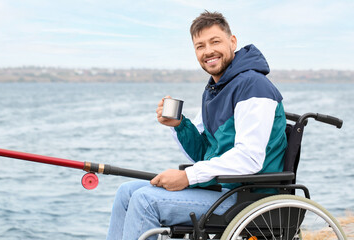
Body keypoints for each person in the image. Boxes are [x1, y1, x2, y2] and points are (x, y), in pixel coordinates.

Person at [106, 10, 287, 240]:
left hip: (248, 196)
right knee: (126, 193)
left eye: (215, 41)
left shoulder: (253, 86)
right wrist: (180, 125)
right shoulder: (215, 88)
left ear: (232, 42)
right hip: (222, 188)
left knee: (145, 201)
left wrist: (188, 177)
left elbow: (249, 158)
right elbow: (205, 153)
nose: (208, 51)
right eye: (200, 46)